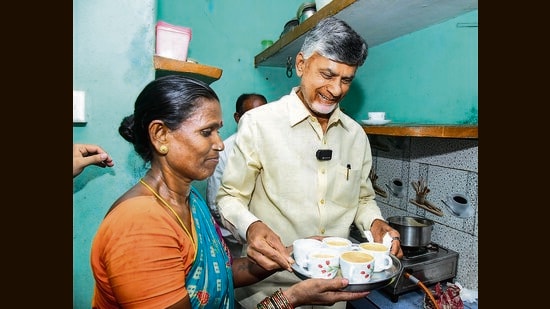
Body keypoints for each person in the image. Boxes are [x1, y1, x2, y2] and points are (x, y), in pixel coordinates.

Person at [90, 75, 371, 309]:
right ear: (161, 135)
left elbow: (221, 275)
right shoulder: (140, 226)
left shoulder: (189, 200)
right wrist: (291, 298)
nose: (221, 144)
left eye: (218, 131)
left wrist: (288, 255)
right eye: (206, 132)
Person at [216, 17, 404, 309]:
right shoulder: (260, 123)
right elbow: (229, 197)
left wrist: (375, 222)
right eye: (327, 75)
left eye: (346, 80)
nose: (336, 89)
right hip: (267, 293)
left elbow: (363, 198)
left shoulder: (355, 136)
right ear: (302, 64)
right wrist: (251, 227)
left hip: (335, 295)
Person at [206, 93, 267, 257]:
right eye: (250, 116)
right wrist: (247, 229)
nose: (257, 121)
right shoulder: (224, 149)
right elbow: (215, 203)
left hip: (270, 235)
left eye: (263, 114)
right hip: (236, 240)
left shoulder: (276, 146)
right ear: (237, 117)